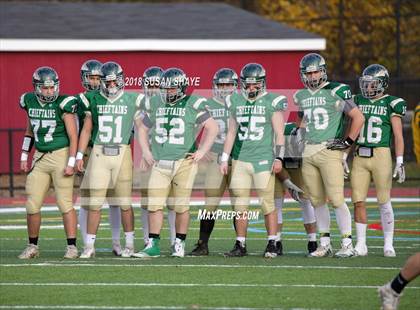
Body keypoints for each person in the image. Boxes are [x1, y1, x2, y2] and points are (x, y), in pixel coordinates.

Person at [134, 68, 218, 258]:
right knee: (154, 204)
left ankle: (178, 243)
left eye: (172, 88)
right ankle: (153, 244)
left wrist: (201, 151)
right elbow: (142, 129)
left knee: (181, 206)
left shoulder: (193, 102)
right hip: (160, 162)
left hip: (184, 162)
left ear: (181, 87)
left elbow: (212, 127)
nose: (167, 92)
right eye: (165, 88)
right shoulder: (156, 102)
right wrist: (146, 152)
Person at [294, 53, 365, 258]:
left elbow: (358, 118)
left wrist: (347, 144)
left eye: (316, 71)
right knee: (316, 200)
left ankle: (347, 243)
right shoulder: (302, 95)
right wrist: (300, 135)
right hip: (309, 150)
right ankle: (324, 244)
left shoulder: (336, 90)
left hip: (329, 149)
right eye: (309, 72)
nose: (313, 75)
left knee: (336, 199)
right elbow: (302, 122)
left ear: (323, 71)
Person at [76, 61, 143, 258]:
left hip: (123, 152)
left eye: (116, 81)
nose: (112, 85)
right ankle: (89, 246)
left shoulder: (132, 99)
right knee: (95, 203)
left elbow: (142, 129)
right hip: (98, 152)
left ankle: (129, 244)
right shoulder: (92, 98)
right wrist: (79, 155)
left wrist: (146, 153)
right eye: (108, 82)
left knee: (124, 202)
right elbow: (87, 129)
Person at [220, 63, 287, 258]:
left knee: (267, 203)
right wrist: (224, 158)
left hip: (263, 160)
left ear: (262, 83)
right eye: (248, 85)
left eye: (255, 85)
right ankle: (240, 244)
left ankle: (272, 242)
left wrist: (279, 157)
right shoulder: (235, 101)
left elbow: (279, 134)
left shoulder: (272, 101)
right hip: (241, 160)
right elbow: (231, 132)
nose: (251, 88)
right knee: (240, 205)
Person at [18, 66, 79, 259]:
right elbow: (29, 131)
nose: (50, 91)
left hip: (60, 155)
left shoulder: (64, 104)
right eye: (45, 88)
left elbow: (73, 135)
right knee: (32, 204)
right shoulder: (29, 101)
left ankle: (71, 247)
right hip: (40, 157)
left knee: (64, 203)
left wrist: (71, 161)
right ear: (37, 88)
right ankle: (32, 246)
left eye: (52, 88)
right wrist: (23, 155)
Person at [351, 64, 407, 257]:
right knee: (358, 200)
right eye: (366, 84)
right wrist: (343, 155)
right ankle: (361, 243)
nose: (368, 88)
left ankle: (388, 243)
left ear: (382, 84)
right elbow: (351, 129)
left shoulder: (391, 103)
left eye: (372, 84)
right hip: (359, 155)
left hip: (381, 154)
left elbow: (398, 135)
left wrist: (399, 160)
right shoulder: (357, 100)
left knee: (384, 201)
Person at [189, 68, 238, 256]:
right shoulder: (206, 104)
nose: (225, 88)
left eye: (228, 84)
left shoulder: (241, 102)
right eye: (221, 84)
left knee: (238, 204)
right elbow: (190, 128)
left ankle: (239, 243)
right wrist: (201, 149)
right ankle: (203, 244)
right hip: (215, 160)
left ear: (235, 86)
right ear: (215, 86)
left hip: (237, 158)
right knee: (210, 203)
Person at [76, 59, 122, 256]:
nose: (95, 82)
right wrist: (77, 154)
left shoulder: (116, 97)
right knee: (88, 199)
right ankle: (88, 243)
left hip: (112, 151)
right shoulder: (82, 99)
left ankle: (116, 242)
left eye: (98, 78)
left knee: (115, 199)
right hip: (89, 151)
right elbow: (80, 129)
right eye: (92, 77)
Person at [138, 66, 177, 247]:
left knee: (173, 201)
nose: (153, 88)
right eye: (150, 84)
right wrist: (142, 154)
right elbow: (136, 133)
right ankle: (148, 239)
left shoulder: (171, 102)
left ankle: (174, 240)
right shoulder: (139, 104)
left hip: (170, 155)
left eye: (156, 84)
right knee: (148, 201)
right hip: (148, 156)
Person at [274, 121, 318, 256]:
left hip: (299, 164)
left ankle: (313, 241)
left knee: (306, 199)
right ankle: (276, 241)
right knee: (276, 201)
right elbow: (274, 162)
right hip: (278, 163)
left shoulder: (311, 142)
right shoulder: (276, 137)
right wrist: (288, 183)